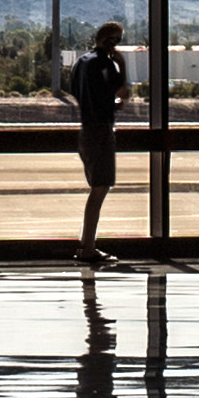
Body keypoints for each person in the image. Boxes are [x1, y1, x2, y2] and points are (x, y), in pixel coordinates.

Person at [62, 21, 131, 266]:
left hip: (85, 129)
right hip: (100, 129)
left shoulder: (81, 62)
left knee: (98, 185)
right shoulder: (104, 63)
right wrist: (122, 65)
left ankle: (87, 243)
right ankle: (88, 246)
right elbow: (122, 94)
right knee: (100, 187)